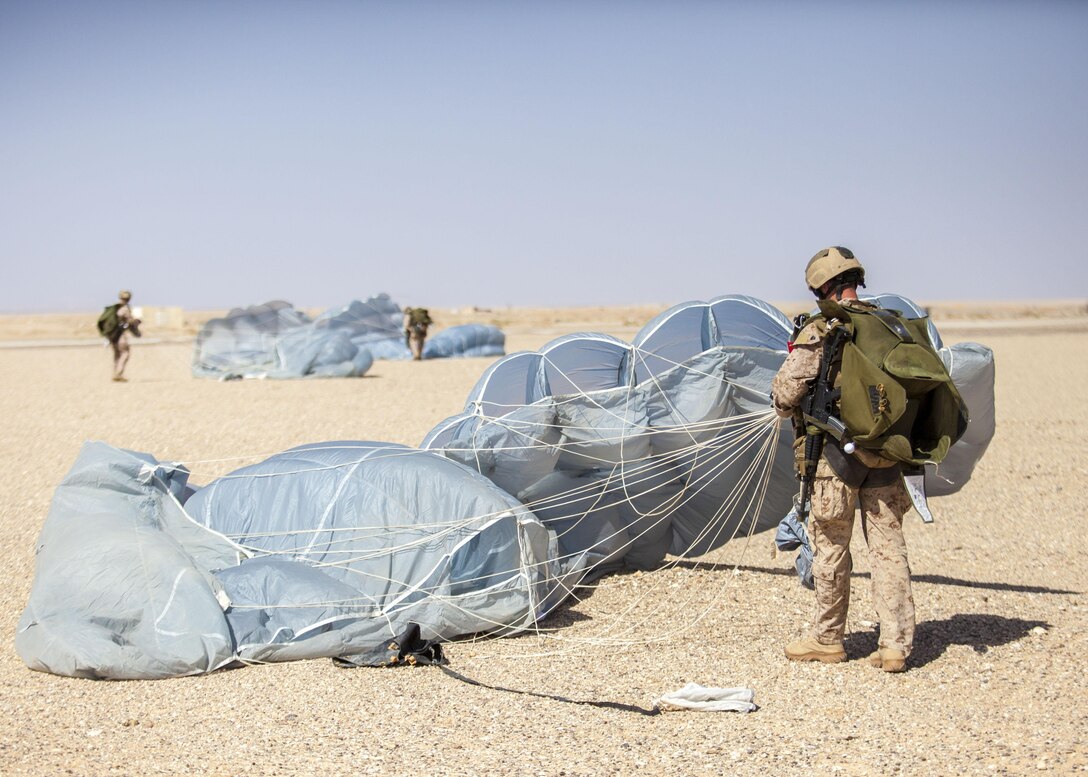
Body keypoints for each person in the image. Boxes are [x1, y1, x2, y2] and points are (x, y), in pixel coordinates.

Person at [771, 247, 914, 673]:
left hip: (835, 461)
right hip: (887, 457)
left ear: (822, 286)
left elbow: (784, 397)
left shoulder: (822, 330)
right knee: (889, 549)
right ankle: (895, 646)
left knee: (831, 546)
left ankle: (828, 638)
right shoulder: (889, 326)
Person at [109, 290, 141, 382]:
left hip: (112, 335)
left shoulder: (114, 308)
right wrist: (136, 322)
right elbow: (129, 322)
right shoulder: (124, 309)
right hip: (120, 335)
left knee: (117, 354)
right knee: (125, 353)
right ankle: (119, 373)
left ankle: (115, 373)